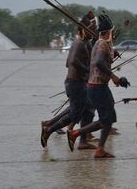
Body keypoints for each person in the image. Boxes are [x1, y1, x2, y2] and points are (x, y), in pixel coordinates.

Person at [67, 13, 130, 158]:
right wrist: (115, 77)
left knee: (108, 119)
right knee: (106, 120)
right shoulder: (102, 44)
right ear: (109, 32)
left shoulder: (100, 42)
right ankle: (76, 134)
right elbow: (98, 63)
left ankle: (99, 148)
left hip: (98, 86)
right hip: (97, 87)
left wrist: (111, 56)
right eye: (112, 31)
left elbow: (99, 60)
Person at [41, 11, 97, 149]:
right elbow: (72, 62)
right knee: (74, 113)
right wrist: (87, 70)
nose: (93, 32)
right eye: (91, 29)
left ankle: (83, 140)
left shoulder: (83, 42)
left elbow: (69, 63)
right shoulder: (79, 44)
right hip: (75, 84)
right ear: (83, 30)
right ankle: (49, 129)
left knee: (88, 110)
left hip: (78, 83)